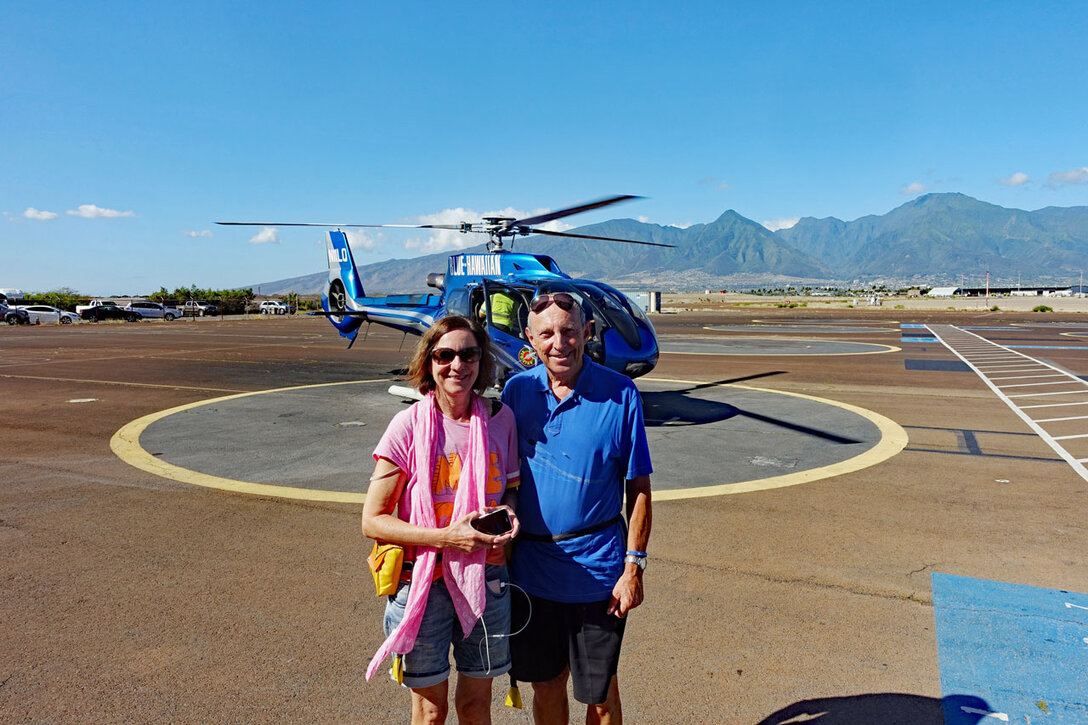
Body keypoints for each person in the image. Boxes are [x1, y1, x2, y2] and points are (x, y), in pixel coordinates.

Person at [501, 291, 653, 725]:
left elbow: (638, 488)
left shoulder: (621, 394)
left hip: (599, 576)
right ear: (530, 340)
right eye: (546, 333)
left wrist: (633, 567)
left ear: (586, 332)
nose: (559, 343)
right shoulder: (516, 393)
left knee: (601, 694)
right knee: (546, 686)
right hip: (532, 573)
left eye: (569, 331)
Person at [362, 316, 522, 725]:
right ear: (429, 363)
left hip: (486, 580)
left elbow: (509, 488)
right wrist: (447, 537)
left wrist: (508, 514)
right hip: (423, 581)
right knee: (430, 712)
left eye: (468, 354)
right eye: (444, 355)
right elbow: (373, 520)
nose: (457, 365)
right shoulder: (407, 427)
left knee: (475, 708)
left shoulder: (501, 420)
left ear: (482, 361)